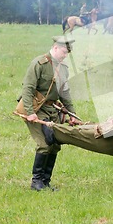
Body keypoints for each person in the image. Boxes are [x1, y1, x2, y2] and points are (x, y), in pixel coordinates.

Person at [19, 36, 79, 191]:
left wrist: (72, 114)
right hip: (36, 109)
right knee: (44, 144)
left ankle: (46, 182)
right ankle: (36, 182)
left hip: (53, 111)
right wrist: (31, 113)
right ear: (55, 47)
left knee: (55, 144)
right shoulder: (39, 63)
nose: (65, 55)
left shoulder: (63, 68)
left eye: (67, 53)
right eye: (64, 52)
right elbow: (28, 89)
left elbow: (65, 93)